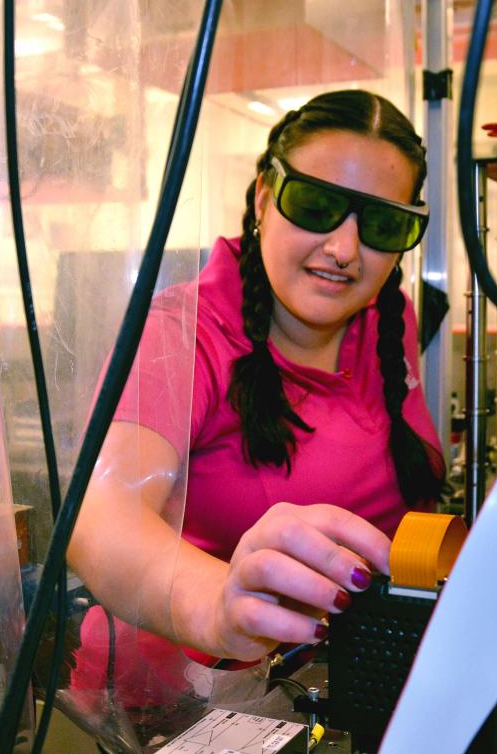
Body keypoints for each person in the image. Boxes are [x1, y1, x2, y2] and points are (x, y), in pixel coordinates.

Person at [66, 89, 444, 676]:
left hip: (331, 681)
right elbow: (99, 519)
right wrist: (219, 604)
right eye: (316, 205)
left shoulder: (388, 323)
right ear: (265, 197)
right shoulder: (184, 334)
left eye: (382, 224)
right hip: (183, 703)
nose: (344, 249)